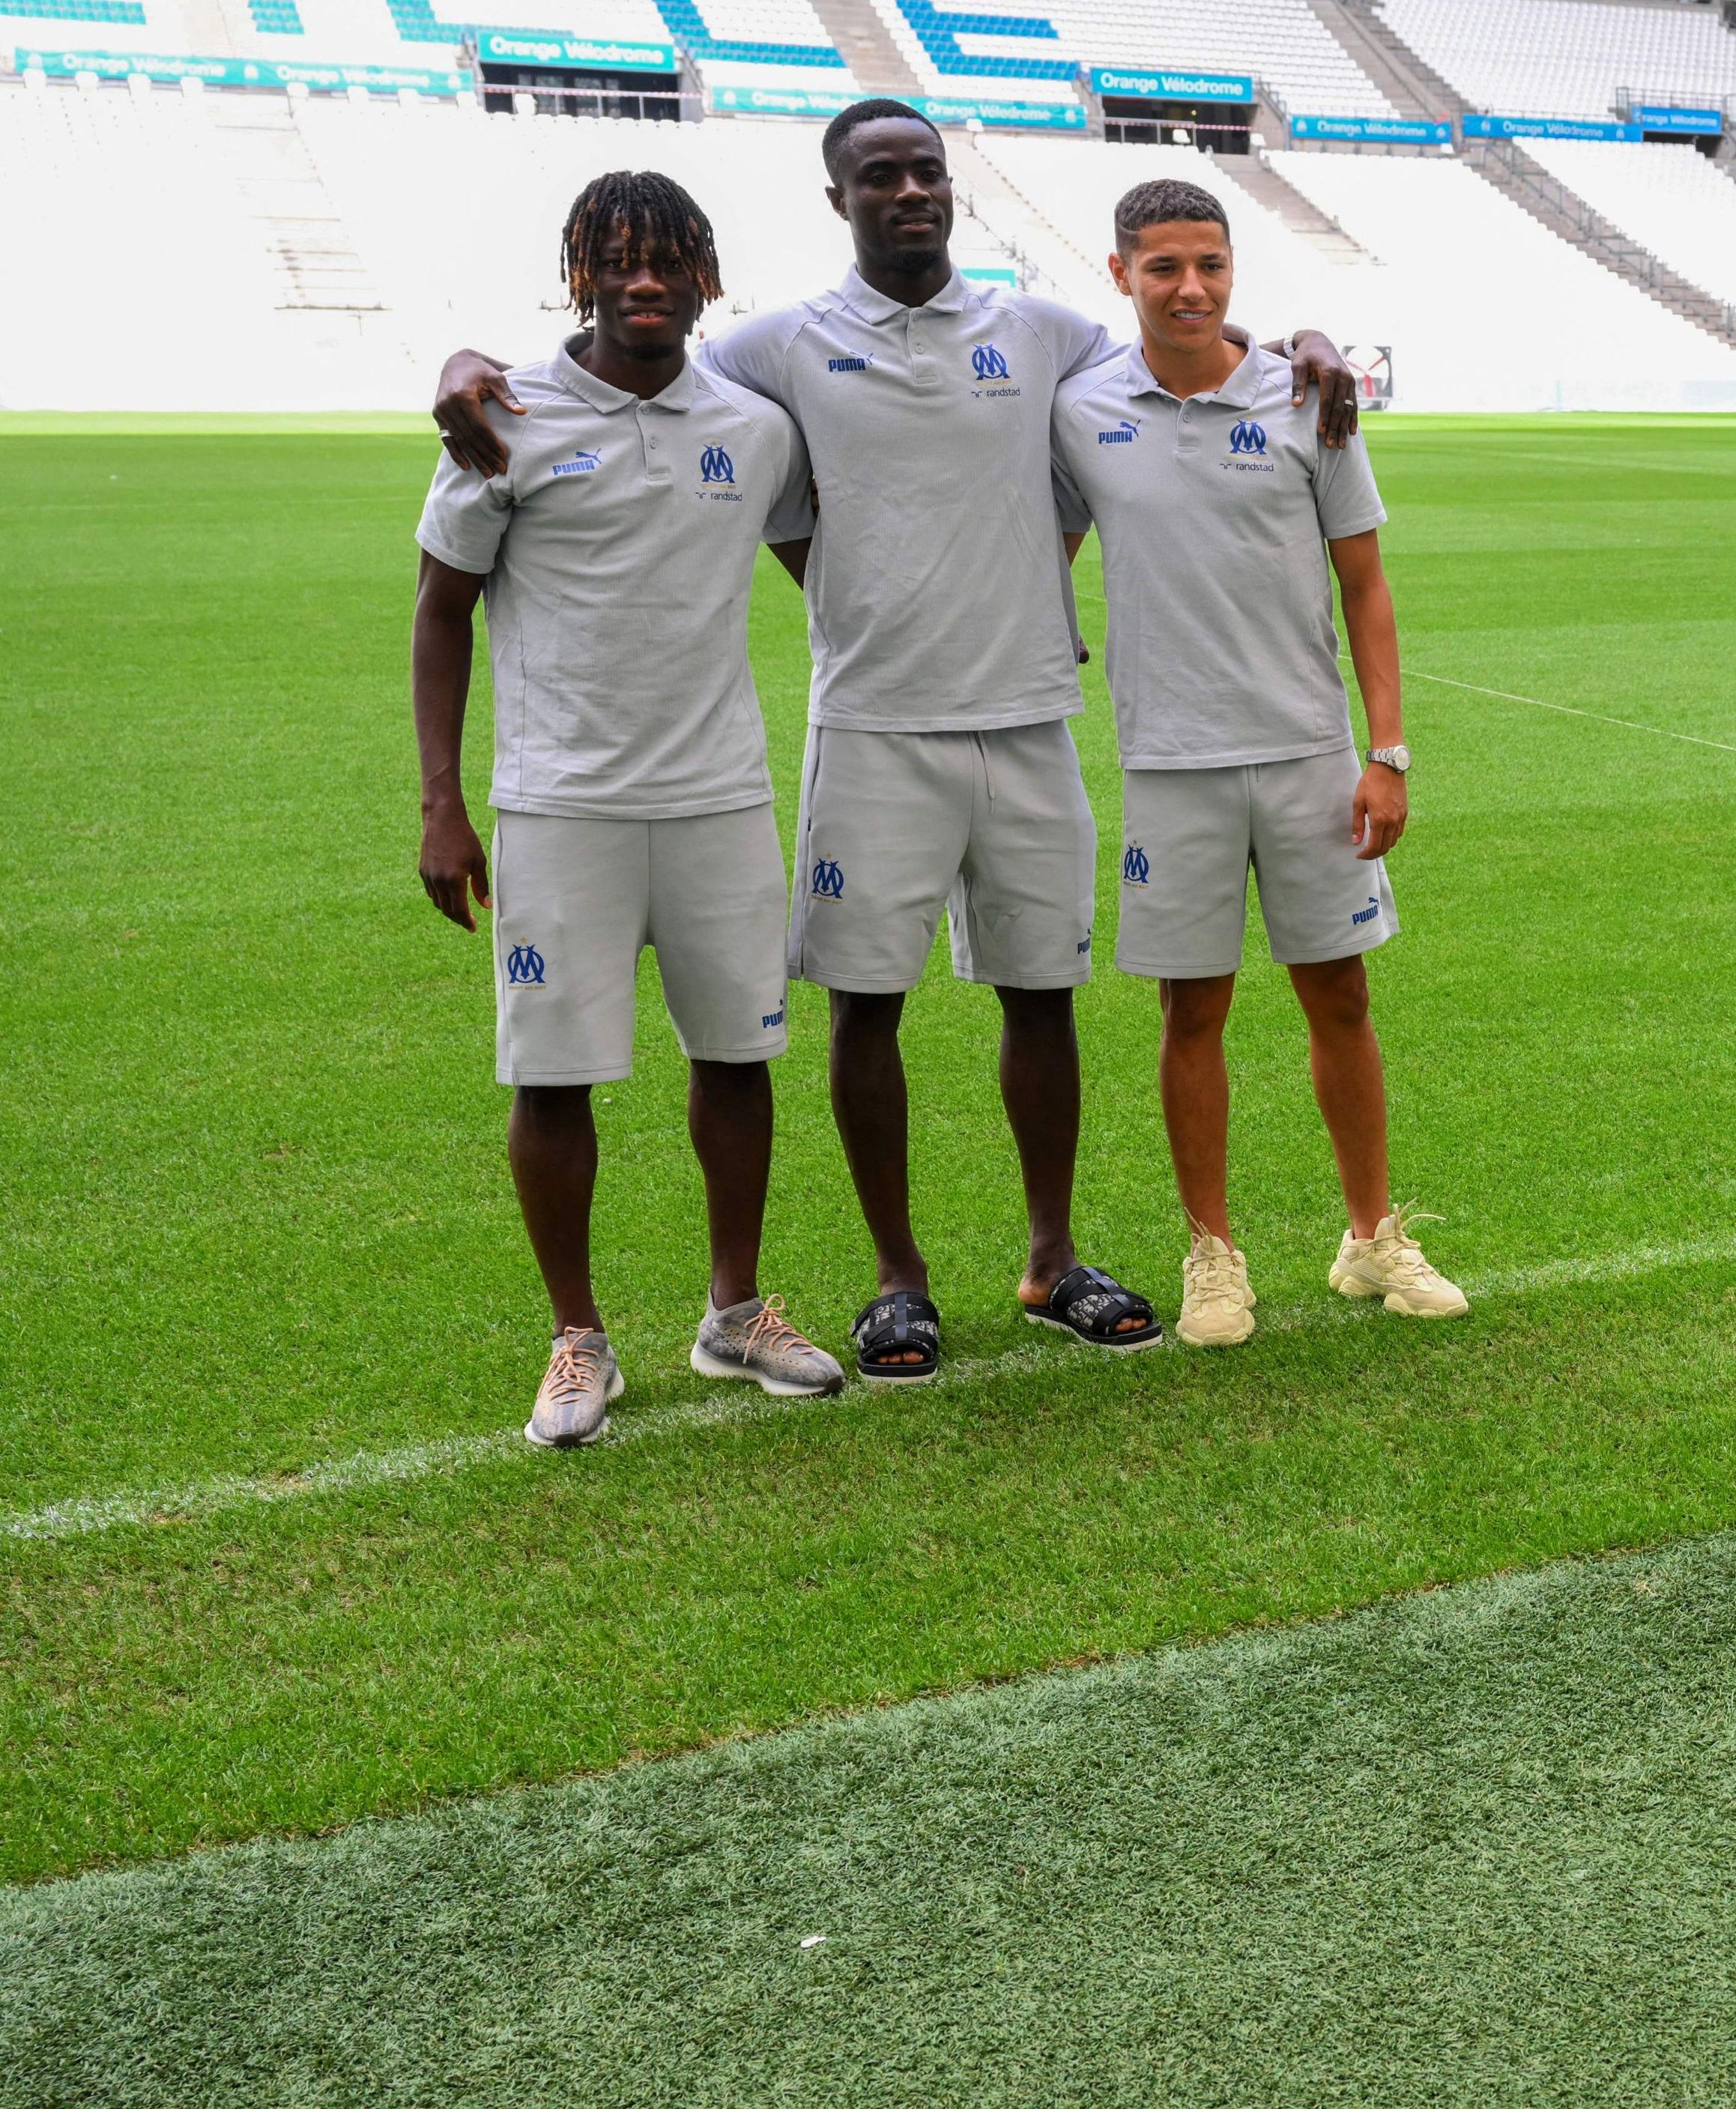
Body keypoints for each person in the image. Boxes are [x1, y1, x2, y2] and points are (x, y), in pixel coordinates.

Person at [428, 101, 1358, 1385]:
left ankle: (1051, 1258)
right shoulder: (781, 347)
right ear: (839, 200)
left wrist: (1294, 336)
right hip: (867, 726)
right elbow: (627, 350)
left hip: (1030, 716)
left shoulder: (1042, 333)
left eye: (927, 171)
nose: (910, 190)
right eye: (881, 176)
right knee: (866, 1007)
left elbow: (1180, 334)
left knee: (1042, 999)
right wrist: (469, 361)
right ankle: (897, 1282)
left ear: (950, 192)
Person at [408, 172, 846, 1447]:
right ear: (578, 273)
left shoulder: (755, 427)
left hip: (718, 796)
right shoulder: (505, 417)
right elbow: (441, 612)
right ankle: (577, 1338)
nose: (643, 278)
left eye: (669, 257)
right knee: (553, 1079)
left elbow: (830, 569)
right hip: (561, 806)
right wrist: (442, 801)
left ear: (708, 276)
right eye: (616, 256)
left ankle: (734, 1313)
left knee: (738, 1056)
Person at [1049, 180, 1465, 1346]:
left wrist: (1387, 752)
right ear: (1121, 269)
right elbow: (1044, 539)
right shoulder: (1081, 407)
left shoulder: (1306, 395)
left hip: (1307, 755)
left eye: (1213, 265)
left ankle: (1371, 1236)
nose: (1192, 288)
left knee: (1341, 992)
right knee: (1195, 1008)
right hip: (1170, 762)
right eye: (1166, 267)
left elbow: (1366, 581)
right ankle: (1213, 1253)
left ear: (1234, 271)